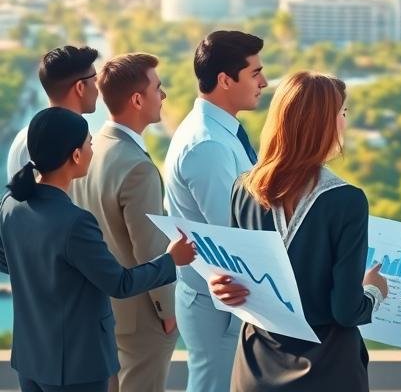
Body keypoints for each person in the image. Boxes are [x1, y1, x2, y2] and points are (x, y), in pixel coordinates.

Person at [207, 71, 389, 392]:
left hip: (256, 366)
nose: (345, 122)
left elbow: (236, 281)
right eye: (343, 113)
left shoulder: (243, 189)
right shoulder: (347, 201)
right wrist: (374, 292)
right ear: (324, 123)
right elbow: (346, 311)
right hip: (327, 370)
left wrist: (219, 284)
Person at [0, 107, 196, 392]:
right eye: (89, 144)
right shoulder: (75, 223)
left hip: (30, 357)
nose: (93, 149)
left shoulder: (11, 205)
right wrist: (171, 260)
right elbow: (119, 283)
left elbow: (8, 261)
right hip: (78, 365)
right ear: (75, 156)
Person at [164, 31, 268, 392]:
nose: (264, 82)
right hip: (220, 301)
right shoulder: (208, 145)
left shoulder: (219, 134)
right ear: (225, 80)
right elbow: (233, 232)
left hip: (226, 296)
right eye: (255, 73)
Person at [72, 53, 177, 392]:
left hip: (96, 306)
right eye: (158, 88)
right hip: (140, 315)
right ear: (137, 99)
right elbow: (152, 250)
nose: (163, 96)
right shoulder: (138, 167)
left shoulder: (88, 149)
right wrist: (167, 312)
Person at [7, 45, 100, 183]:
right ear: (80, 87)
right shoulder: (67, 145)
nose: (97, 90)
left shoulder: (26, 136)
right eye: (94, 81)